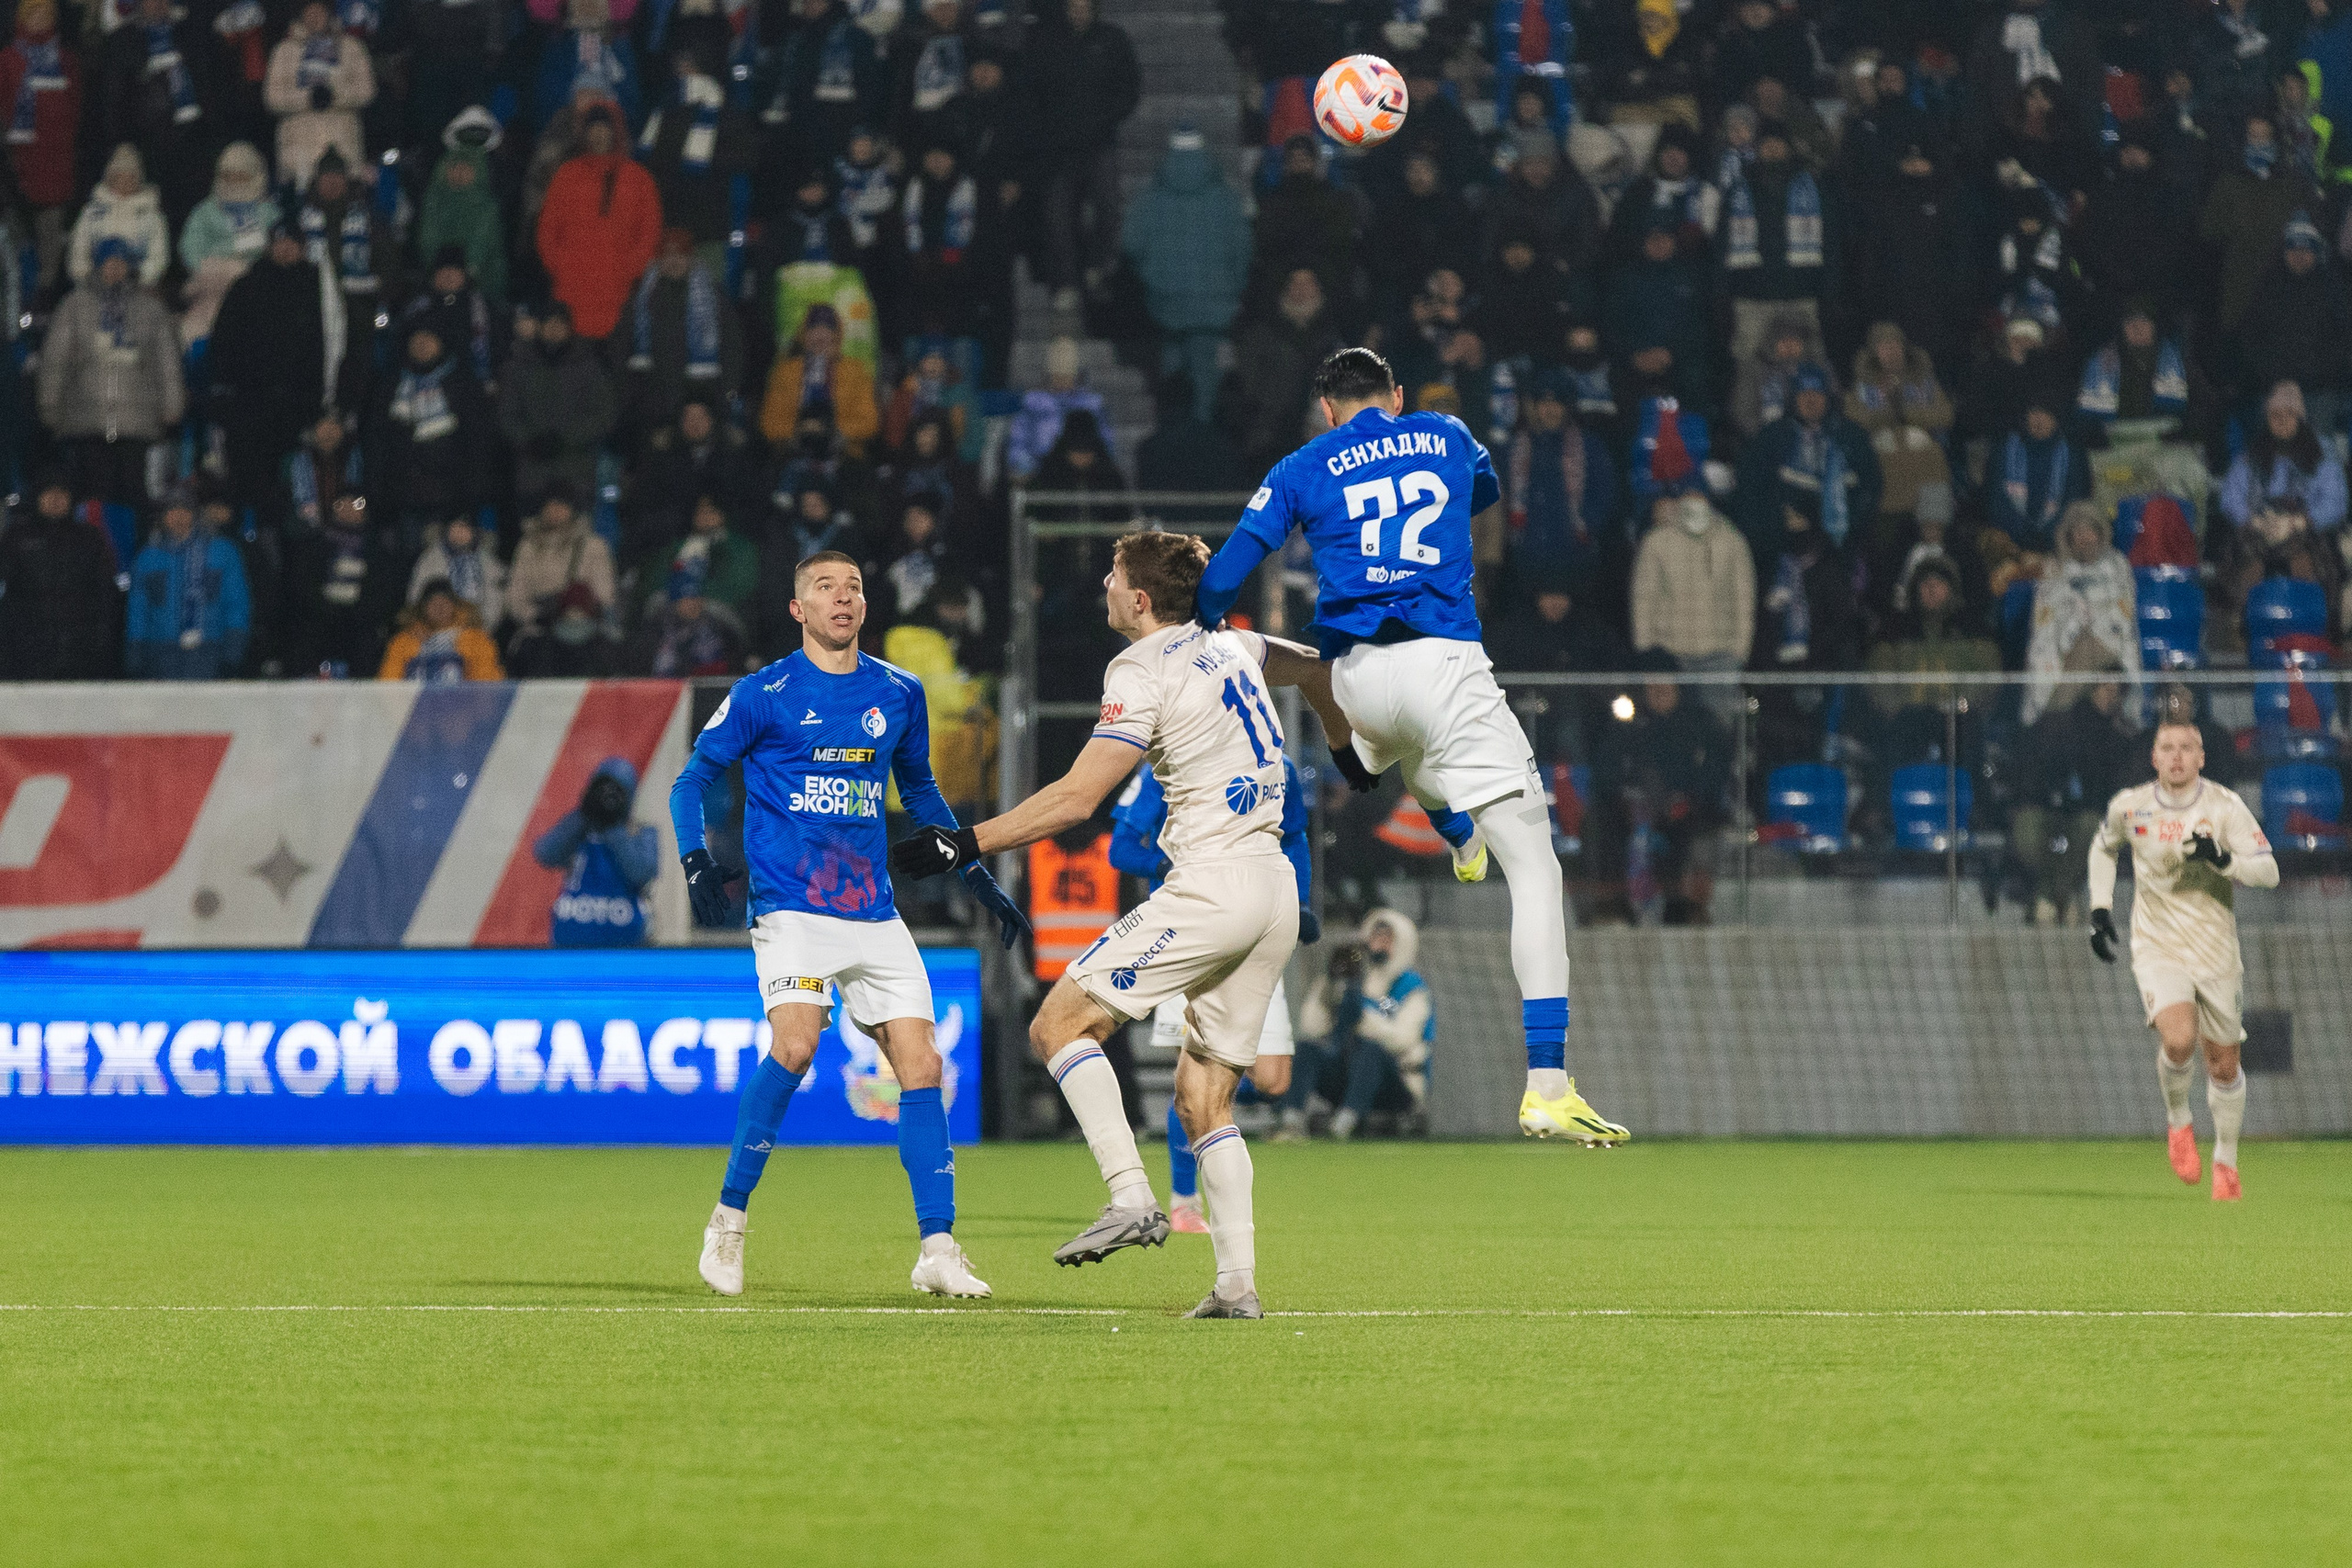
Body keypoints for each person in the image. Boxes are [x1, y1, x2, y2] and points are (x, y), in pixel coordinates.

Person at [1191, 346, 1630, 1147]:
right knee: (1536, 869)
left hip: (1356, 676)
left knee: (1402, 750)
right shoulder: (1446, 432)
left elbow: (1222, 582)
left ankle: (1444, 821)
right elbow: (1487, 493)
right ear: (1394, 395)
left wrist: (1206, 626)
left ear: (1327, 408)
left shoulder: (1299, 464)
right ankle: (1548, 1085)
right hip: (1444, 661)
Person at [889, 530, 1329, 1319]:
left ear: (1138, 599)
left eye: (1113, 574)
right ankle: (1235, 1286)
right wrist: (1341, 733)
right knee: (1204, 1099)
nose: (1102, 582)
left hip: (1213, 884)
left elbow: (1077, 798)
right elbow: (1314, 663)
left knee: (1058, 1025)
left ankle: (1131, 1196)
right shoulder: (1235, 644)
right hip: (1276, 888)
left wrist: (966, 840)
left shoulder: (1140, 666)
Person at [671, 550, 1023, 1300]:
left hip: (872, 909)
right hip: (792, 905)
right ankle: (728, 1221)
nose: (843, 598)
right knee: (795, 1044)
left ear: (866, 606)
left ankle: (937, 1247)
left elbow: (922, 792)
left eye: (854, 587)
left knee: (922, 1067)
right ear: (799, 609)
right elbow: (692, 780)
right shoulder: (762, 693)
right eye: (826, 588)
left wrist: (981, 880)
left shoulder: (898, 692)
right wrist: (697, 861)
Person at [1108, 754, 1318, 1231]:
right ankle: (1185, 1198)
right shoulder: (1169, 763)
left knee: (1273, 1078)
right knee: (1200, 1070)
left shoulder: (1279, 766)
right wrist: (1165, 862)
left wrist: (1301, 902)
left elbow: (1296, 836)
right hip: (1192, 926)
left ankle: (1207, 1120)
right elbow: (1120, 850)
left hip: (1258, 924)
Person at [2088, 715, 2279, 1202]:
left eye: (2186, 748)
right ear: (2154, 758)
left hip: (2216, 950)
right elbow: (2103, 847)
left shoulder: (2224, 806)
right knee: (2178, 1040)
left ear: (2201, 758)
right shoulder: (2130, 807)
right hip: (2158, 946)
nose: (2176, 757)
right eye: (2167, 748)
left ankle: (2227, 1162)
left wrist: (2226, 862)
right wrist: (2100, 907)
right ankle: (2178, 1123)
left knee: (2222, 1065)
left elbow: (2270, 871)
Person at [40, 237, 185, 507]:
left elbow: (167, 362)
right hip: (87, 417)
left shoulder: (151, 309)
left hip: (136, 420)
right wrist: (50, 404)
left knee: (134, 496)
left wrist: (172, 404)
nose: (115, 269)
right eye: (109, 262)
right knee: (96, 498)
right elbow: (55, 360)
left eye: (121, 263)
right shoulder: (74, 305)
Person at [1283, 908, 1431, 1139]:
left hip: (1396, 1083)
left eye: (1386, 938)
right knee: (1307, 1050)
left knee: (1370, 1050)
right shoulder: (1353, 978)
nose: (1378, 944)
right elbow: (1310, 1028)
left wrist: (1362, 1014)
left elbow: (1402, 1040)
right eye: (1375, 936)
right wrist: (1331, 988)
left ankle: (1344, 1124)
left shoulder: (1411, 988)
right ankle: (1290, 1123)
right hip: (1347, 1075)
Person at [0, 474, 120, 679]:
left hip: (79, 650)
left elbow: (105, 592)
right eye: (49, 494)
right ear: (38, 497)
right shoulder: (17, 537)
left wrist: (99, 638)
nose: (56, 500)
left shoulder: (89, 538)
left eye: (62, 494)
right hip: (27, 649)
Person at [125, 485, 250, 679]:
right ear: (163, 516)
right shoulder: (148, 557)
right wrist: (135, 648)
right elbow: (138, 608)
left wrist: (234, 647)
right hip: (161, 652)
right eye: (172, 510)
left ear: (194, 514)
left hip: (208, 650)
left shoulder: (222, 551)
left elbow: (236, 601)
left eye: (184, 510)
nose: (178, 516)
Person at [535, 759, 661, 947]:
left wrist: (613, 826)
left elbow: (642, 871)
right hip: (572, 940)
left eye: (617, 792)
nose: (607, 798)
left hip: (625, 944)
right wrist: (584, 813)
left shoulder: (641, 832)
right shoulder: (578, 827)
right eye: (601, 790)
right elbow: (545, 854)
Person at [377, 578, 503, 682]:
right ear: (422, 608)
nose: (440, 607)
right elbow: (389, 684)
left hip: (463, 708)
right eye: (432, 602)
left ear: (455, 606)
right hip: (415, 708)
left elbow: (487, 684)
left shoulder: (476, 639)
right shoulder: (403, 642)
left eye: (445, 601)